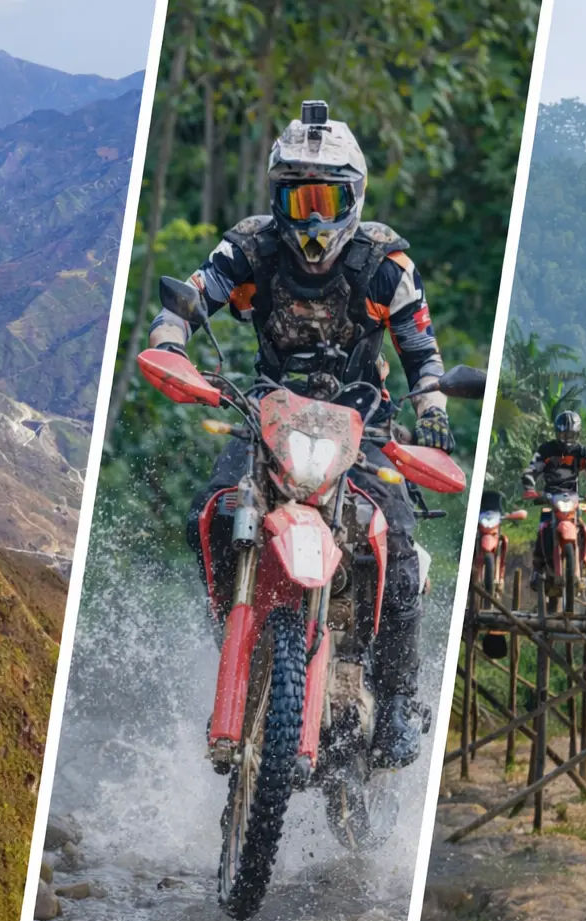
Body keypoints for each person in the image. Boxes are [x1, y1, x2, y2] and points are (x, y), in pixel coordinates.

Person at [153, 101, 455, 770]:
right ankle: (234, 638)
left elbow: (420, 349)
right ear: (277, 198)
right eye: (298, 197)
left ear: (353, 196)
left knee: (397, 544)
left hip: (364, 422)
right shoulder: (251, 246)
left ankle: (397, 701)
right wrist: (170, 336)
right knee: (209, 514)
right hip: (266, 413)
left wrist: (431, 406)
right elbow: (197, 292)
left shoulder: (383, 263)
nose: (312, 216)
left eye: (326, 198)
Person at [520, 410, 586, 587]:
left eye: (571, 434)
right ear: (557, 432)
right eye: (563, 434)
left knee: (582, 528)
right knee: (542, 529)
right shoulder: (546, 450)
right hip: (550, 499)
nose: (566, 438)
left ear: (577, 434)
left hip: (573, 500)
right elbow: (531, 471)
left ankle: (582, 563)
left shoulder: (582, 452)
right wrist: (530, 488)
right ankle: (538, 569)